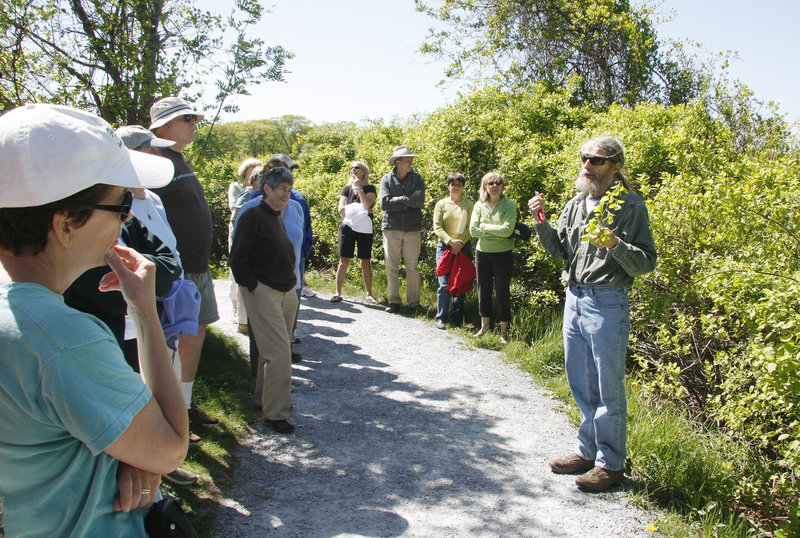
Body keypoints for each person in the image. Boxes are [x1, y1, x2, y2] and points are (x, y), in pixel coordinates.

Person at [0, 104, 189, 536]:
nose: (126, 220)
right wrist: (144, 310)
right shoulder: (67, 340)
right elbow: (171, 446)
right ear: (66, 224)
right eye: (121, 206)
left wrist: (131, 450)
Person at [527, 136, 657, 492]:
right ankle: (587, 453)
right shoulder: (575, 204)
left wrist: (615, 244)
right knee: (581, 382)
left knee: (608, 387)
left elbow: (647, 262)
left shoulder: (630, 206)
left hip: (607, 302)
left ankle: (611, 465)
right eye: (585, 158)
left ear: (616, 166)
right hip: (575, 297)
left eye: (597, 160)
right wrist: (540, 221)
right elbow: (559, 252)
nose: (587, 164)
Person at [149, 96, 220, 435]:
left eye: (194, 117)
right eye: (186, 118)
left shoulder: (177, 159)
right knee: (175, 340)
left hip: (197, 267)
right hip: (178, 270)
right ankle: (170, 413)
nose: (193, 123)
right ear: (162, 125)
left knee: (196, 334)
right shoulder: (155, 161)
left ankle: (185, 405)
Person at [230, 167, 299, 434]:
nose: (286, 194)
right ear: (266, 188)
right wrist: (253, 286)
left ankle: (262, 400)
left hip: (285, 290)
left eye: (289, 189)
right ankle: (276, 414)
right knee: (279, 353)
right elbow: (238, 257)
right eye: (283, 188)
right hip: (264, 291)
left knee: (269, 353)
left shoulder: (274, 213)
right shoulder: (252, 214)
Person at [469, 172, 516, 344]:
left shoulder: (509, 204)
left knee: (502, 291)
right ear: (485, 186)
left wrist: (485, 227)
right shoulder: (479, 205)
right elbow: (473, 230)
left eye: (498, 183)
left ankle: (504, 332)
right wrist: (496, 231)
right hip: (482, 253)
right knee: (484, 289)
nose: (495, 186)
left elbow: (507, 231)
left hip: (503, 254)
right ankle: (484, 327)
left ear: (502, 186)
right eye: (491, 183)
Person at [379, 145, 426, 313]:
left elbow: (420, 201)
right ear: (398, 162)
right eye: (408, 160)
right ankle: (394, 301)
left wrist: (399, 199)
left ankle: (414, 303)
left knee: (412, 266)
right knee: (392, 265)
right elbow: (384, 204)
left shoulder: (417, 179)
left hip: (412, 228)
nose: (411, 162)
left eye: (411, 159)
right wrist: (409, 201)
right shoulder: (386, 179)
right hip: (392, 228)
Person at [433, 173, 475, 329]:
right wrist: (450, 241)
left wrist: (460, 242)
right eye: (453, 184)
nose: (456, 187)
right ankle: (441, 317)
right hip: (444, 247)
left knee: (460, 282)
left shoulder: (469, 204)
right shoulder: (441, 204)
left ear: (463, 187)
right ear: (448, 185)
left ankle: (456, 317)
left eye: (459, 184)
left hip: (464, 247)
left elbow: (472, 227)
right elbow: (437, 227)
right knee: (444, 284)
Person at [332, 161, 377, 304]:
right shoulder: (346, 189)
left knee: (365, 260)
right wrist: (362, 210)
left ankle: (369, 294)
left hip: (365, 228)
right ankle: (338, 292)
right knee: (344, 259)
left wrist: (359, 190)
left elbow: (367, 204)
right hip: (348, 227)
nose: (354, 169)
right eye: (352, 167)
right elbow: (341, 210)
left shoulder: (370, 188)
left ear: (364, 171)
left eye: (357, 167)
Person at [231, 158, 263, 334]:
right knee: (244, 284)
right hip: (244, 246)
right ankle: (243, 323)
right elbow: (235, 218)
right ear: (253, 179)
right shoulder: (247, 194)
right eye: (262, 177)